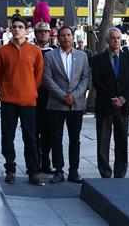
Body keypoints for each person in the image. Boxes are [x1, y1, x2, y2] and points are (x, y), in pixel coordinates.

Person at [0, 15, 44, 185]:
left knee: (30, 137)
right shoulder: (2, 52)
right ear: (10, 29)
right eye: (14, 26)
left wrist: (29, 90)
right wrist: (7, 90)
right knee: (8, 136)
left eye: (20, 27)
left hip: (29, 101)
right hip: (8, 101)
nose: (17, 29)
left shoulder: (35, 51)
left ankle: (33, 171)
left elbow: (38, 76)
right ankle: (10, 169)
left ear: (26, 30)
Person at [43, 26, 90, 184]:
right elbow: (47, 79)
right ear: (58, 38)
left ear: (73, 37)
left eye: (68, 35)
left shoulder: (82, 56)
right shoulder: (50, 56)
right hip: (56, 104)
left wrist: (74, 95)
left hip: (76, 105)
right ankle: (58, 170)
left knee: (74, 139)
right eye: (62, 35)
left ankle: (74, 171)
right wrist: (63, 96)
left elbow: (85, 79)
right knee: (56, 138)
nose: (66, 38)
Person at [92, 27, 129, 178]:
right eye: (113, 38)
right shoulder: (98, 59)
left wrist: (123, 99)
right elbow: (97, 83)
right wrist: (112, 99)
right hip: (105, 106)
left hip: (123, 108)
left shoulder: (128, 59)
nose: (116, 40)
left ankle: (120, 172)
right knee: (103, 141)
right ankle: (105, 172)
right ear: (107, 40)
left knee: (121, 141)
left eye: (118, 38)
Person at [34, 22, 57, 174]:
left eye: (45, 31)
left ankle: (46, 161)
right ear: (35, 34)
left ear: (49, 34)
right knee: (34, 130)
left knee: (49, 131)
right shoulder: (30, 50)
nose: (43, 34)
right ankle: (35, 161)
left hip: (50, 95)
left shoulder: (55, 51)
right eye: (40, 31)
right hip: (34, 96)